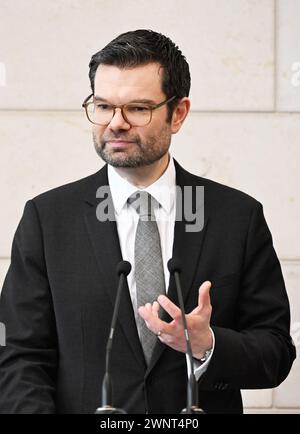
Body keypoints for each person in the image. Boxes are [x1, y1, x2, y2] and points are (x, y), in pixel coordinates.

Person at [0, 29, 296, 414]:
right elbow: (18, 357)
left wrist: (208, 344)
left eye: (138, 108)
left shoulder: (237, 217)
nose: (115, 123)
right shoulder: (48, 218)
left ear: (178, 114)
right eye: (103, 106)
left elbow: (275, 352)